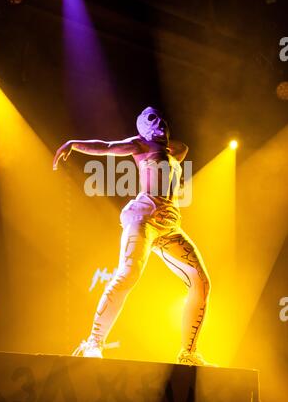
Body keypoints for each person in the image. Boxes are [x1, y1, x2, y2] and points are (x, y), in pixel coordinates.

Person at [53, 107, 211, 365]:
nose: (160, 122)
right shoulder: (141, 146)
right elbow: (105, 146)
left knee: (201, 282)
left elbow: (183, 146)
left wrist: (160, 140)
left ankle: (188, 353)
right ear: (142, 128)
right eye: (152, 119)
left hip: (170, 226)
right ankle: (93, 343)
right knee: (128, 274)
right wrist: (74, 143)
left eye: (161, 118)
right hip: (144, 217)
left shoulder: (174, 153)